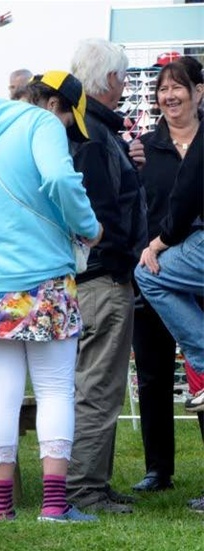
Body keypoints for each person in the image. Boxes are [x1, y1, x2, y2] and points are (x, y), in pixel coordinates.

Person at [0, 71, 102, 523]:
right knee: (55, 388)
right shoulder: (42, 124)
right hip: (41, 277)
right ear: (52, 105)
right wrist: (89, 227)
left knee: (1, 392)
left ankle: (3, 508)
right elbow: (58, 176)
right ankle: (54, 505)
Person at [66, 38, 147, 514]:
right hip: (103, 278)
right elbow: (100, 215)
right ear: (111, 80)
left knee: (97, 384)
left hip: (90, 277)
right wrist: (125, 256)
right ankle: (84, 489)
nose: (125, 85)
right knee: (98, 387)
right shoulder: (95, 137)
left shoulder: (88, 130)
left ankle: (93, 480)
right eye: (124, 77)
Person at [129, 56, 203, 499]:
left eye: (178, 87)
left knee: (200, 366)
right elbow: (139, 205)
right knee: (153, 372)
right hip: (158, 265)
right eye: (161, 89)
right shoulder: (145, 146)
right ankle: (158, 469)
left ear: (199, 92)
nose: (168, 96)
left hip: (193, 267)